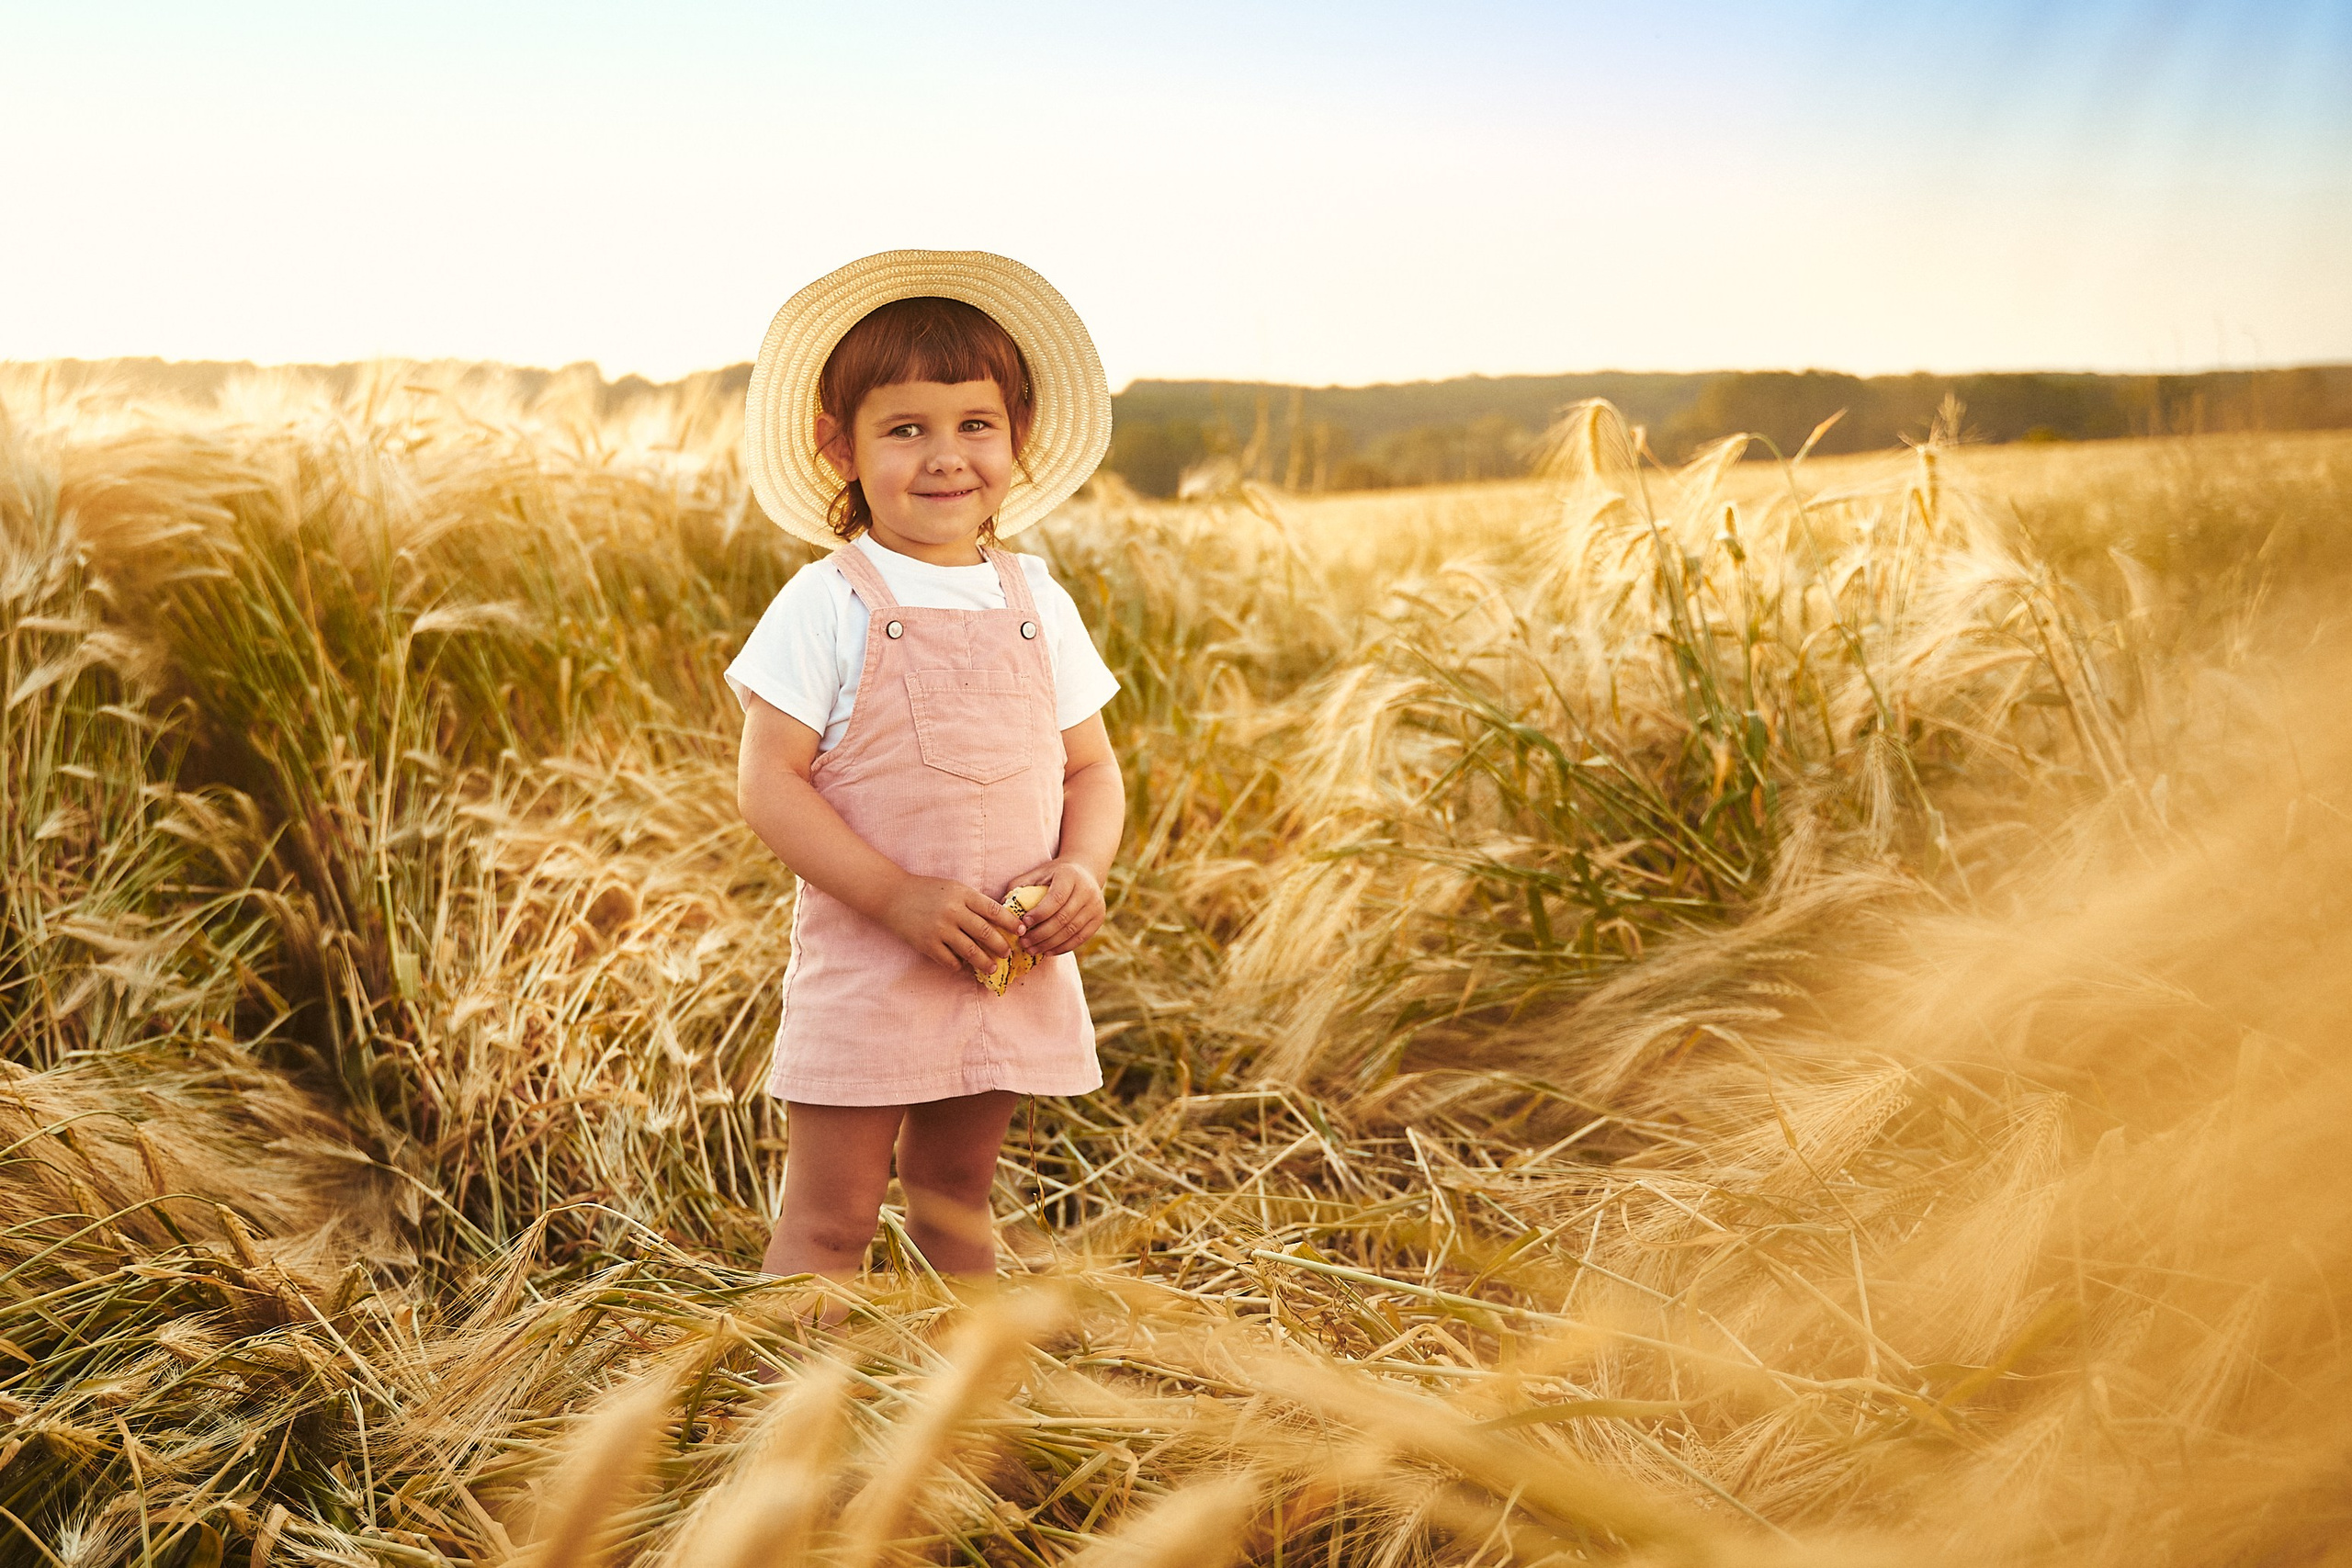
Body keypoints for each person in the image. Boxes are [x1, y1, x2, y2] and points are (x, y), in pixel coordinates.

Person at [725, 251, 1123, 1287]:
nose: (946, 457)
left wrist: (1083, 871)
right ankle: (790, 1438)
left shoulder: (1037, 596)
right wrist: (895, 897)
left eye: (973, 425)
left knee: (959, 1208)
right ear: (839, 447)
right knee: (829, 1228)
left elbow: (1091, 770)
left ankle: (974, 1432)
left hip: (1004, 958)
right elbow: (769, 782)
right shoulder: (829, 601)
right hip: (873, 964)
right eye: (906, 429)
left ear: (1016, 438)